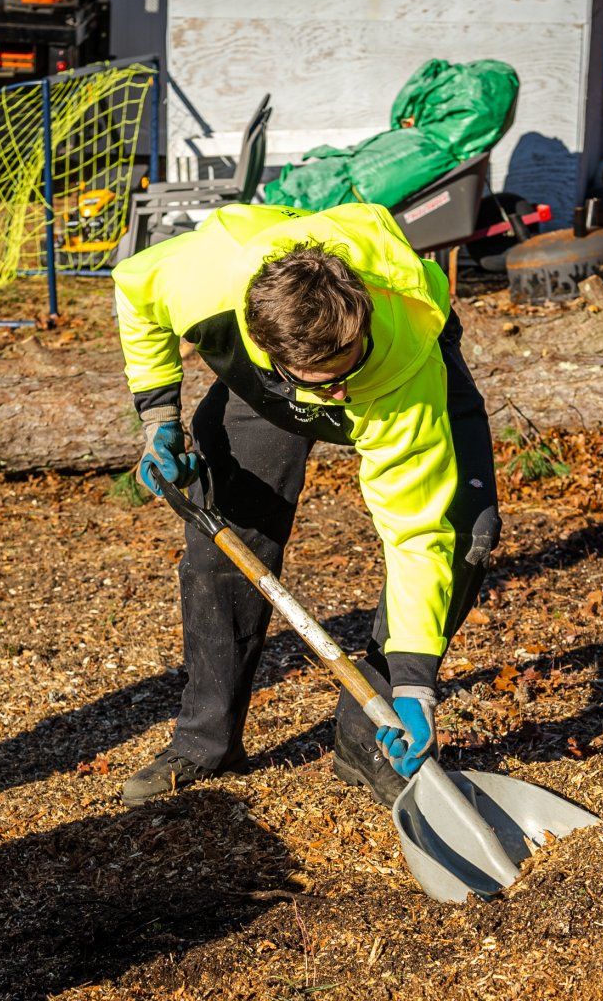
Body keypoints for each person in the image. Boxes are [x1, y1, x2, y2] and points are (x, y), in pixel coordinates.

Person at [112, 201, 499, 808]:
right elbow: (134, 289)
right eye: (325, 384)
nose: (339, 395)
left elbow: (413, 535)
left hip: (395, 370)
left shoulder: (400, 360)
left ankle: (370, 736)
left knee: (463, 532)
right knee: (225, 536)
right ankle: (204, 740)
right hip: (272, 375)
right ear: (266, 346)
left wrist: (416, 685)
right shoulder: (205, 281)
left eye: (346, 372)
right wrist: (158, 417)